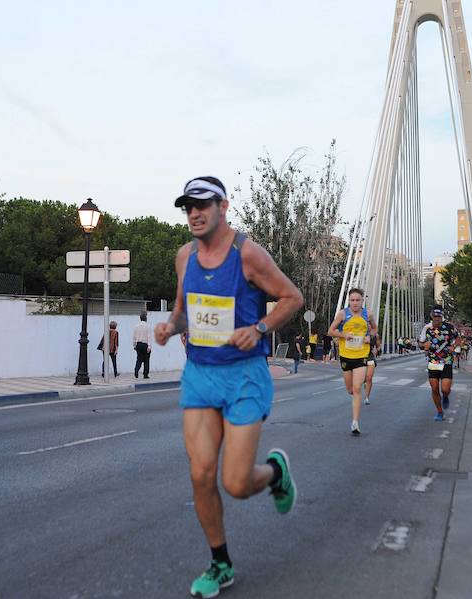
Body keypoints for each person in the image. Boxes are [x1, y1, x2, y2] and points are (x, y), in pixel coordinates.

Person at [153, 176, 303, 598]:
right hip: (200, 375)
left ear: (223, 206)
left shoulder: (249, 255)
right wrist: (170, 327)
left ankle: (275, 472)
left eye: (202, 205)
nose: (194, 214)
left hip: (243, 376)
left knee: (235, 483)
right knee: (201, 475)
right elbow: (185, 312)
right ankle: (220, 563)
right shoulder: (185, 257)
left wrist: (259, 328)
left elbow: (293, 298)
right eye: (188, 207)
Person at [328, 288, 376, 435]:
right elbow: (330, 331)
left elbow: (374, 329)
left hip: (362, 355)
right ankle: (352, 395)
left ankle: (355, 422)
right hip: (346, 356)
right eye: (352, 300)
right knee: (350, 389)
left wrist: (370, 337)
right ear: (349, 301)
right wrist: (343, 335)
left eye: (358, 300)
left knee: (357, 389)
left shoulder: (368, 314)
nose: (355, 303)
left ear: (362, 301)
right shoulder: (343, 314)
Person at [418, 306, 460, 421]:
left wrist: (454, 347)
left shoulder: (450, 327)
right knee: (435, 388)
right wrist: (423, 345)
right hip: (433, 361)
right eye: (435, 316)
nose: (437, 319)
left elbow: (458, 339)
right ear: (432, 316)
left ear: (442, 316)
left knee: (445, 389)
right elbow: (420, 344)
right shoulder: (426, 328)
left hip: (446, 360)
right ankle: (440, 412)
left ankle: (445, 397)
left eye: (439, 316)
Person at [363, 330, 381, 405]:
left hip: (370, 357)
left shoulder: (375, 335)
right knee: (363, 378)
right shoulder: (358, 333)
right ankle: (364, 382)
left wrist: (377, 350)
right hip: (359, 358)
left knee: (369, 377)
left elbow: (379, 346)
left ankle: (367, 397)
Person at [133, 311, 151, 379]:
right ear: (146, 318)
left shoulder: (136, 326)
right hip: (145, 344)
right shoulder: (148, 326)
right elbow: (149, 337)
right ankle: (145, 374)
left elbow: (134, 337)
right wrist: (149, 346)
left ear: (140, 319)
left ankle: (136, 370)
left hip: (138, 344)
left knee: (139, 359)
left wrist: (134, 345)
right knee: (146, 360)